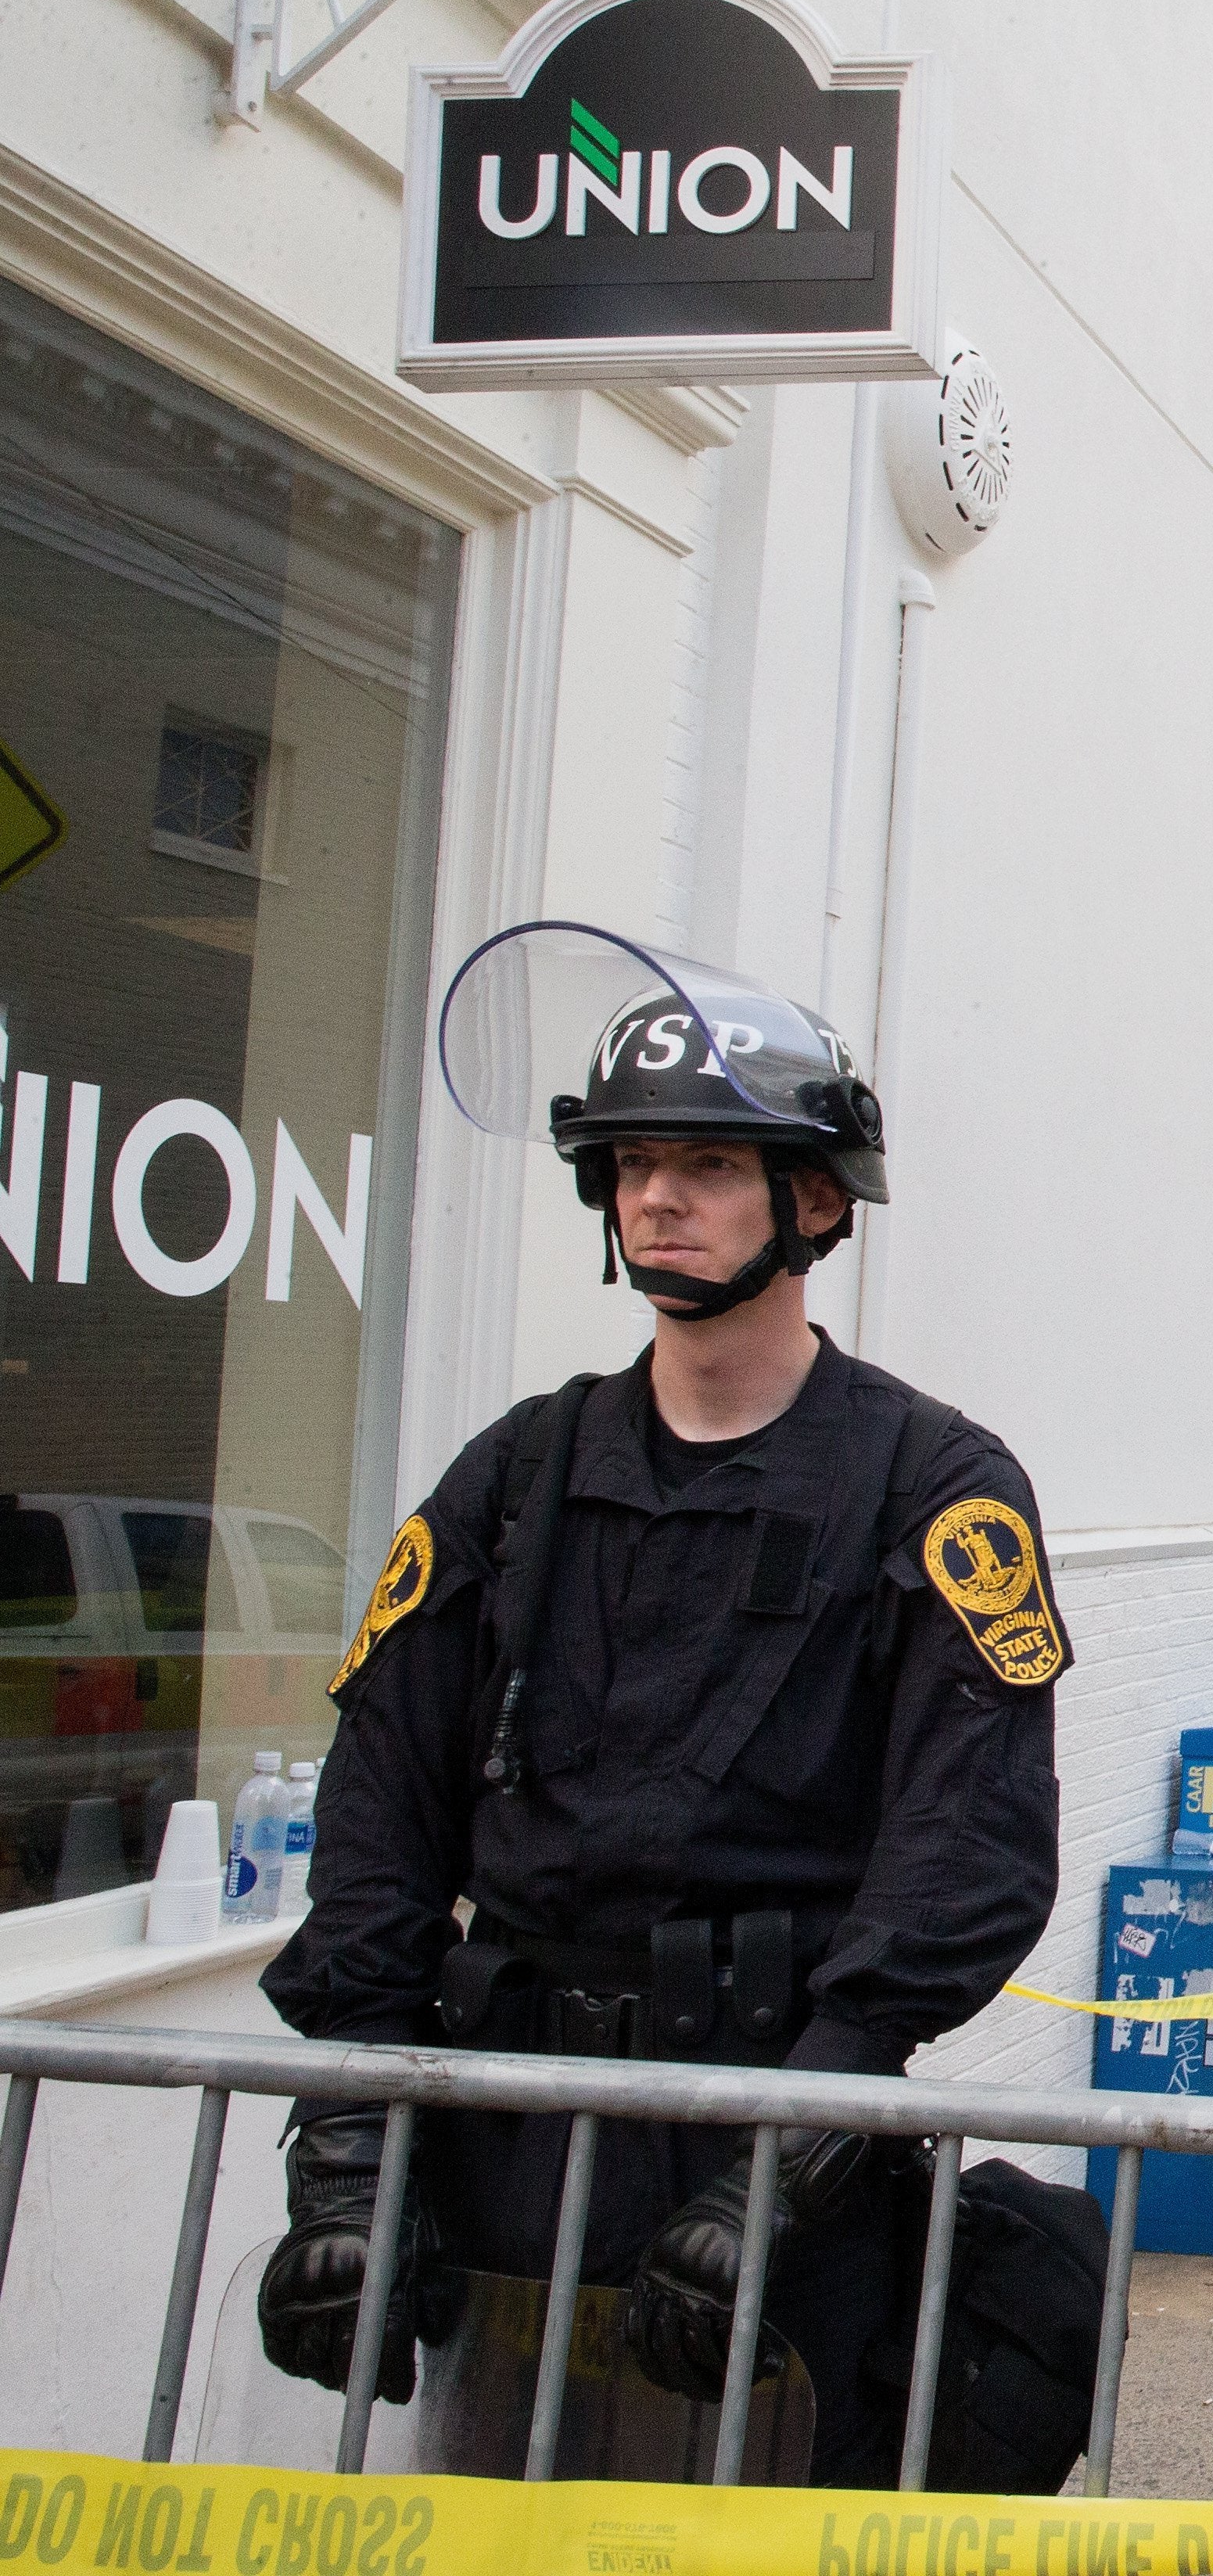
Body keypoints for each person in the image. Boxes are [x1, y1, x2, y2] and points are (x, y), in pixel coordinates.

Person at [259, 929, 1064, 2486]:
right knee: (498, 2510)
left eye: (706, 1162)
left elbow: (966, 1850)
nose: (654, 1198)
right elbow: (381, 1804)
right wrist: (354, 2147)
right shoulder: (515, 1474)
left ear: (817, 1199)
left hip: (777, 2142)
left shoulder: (935, 1487)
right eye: (630, 1164)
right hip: (505, 2129)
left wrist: (793, 2150)